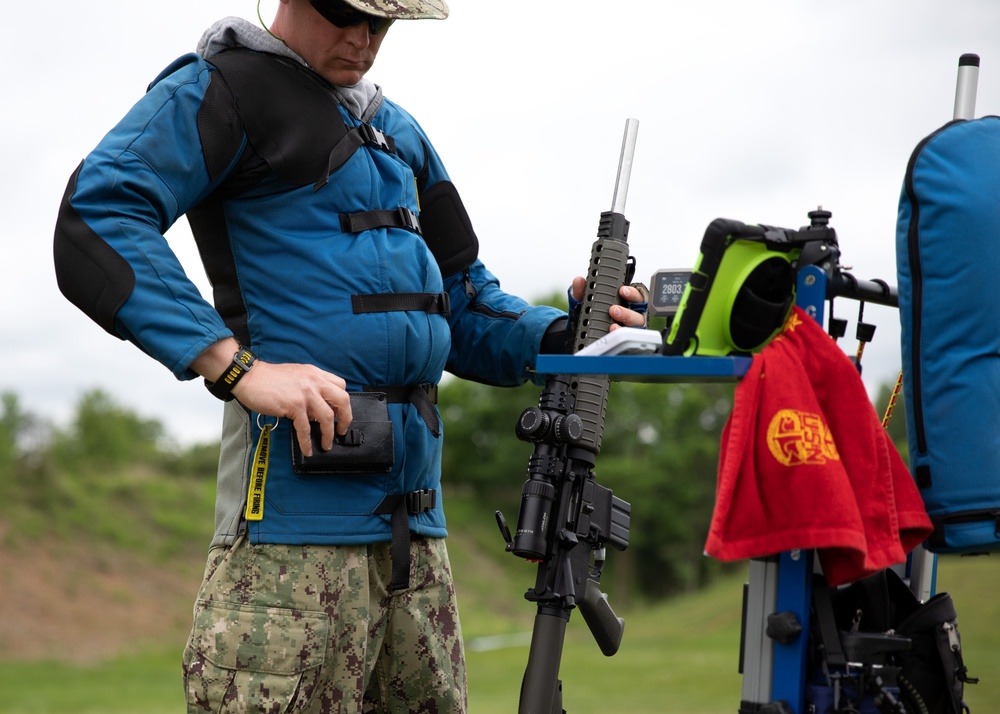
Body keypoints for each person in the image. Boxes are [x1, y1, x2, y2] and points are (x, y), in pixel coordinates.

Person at [53, 1, 647, 711]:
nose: (364, 38)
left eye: (383, 23)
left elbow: (462, 299)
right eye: (347, 13)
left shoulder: (399, 132)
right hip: (289, 547)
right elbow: (98, 213)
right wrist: (235, 366)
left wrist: (564, 333)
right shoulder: (219, 88)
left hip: (417, 547)